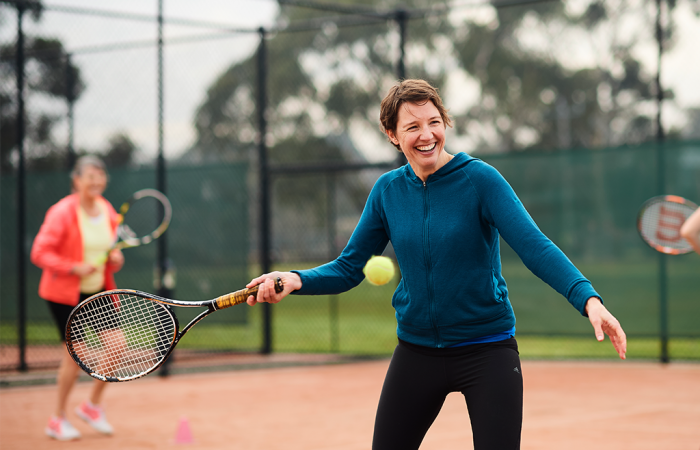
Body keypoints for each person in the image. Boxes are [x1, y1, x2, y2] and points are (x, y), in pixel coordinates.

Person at [245, 79, 627, 450]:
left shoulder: (480, 180)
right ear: (393, 135)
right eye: (412, 126)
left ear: (445, 123)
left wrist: (588, 300)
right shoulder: (387, 191)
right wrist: (294, 278)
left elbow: (535, 247)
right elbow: (349, 267)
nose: (426, 135)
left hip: (487, 350)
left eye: (434, 122)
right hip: (417, 352)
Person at [31, 155, 124, 441]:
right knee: (75, 357)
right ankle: (57, 419)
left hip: (97, 290)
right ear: (77, 180)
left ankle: (91, 406)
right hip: (64, 293)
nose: (96, 182)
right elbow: (39, 252)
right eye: (90, 177)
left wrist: (115, 258)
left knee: (118, 345)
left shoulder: (107, 210)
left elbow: (109, 250)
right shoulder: (61, 212)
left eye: (101, 176)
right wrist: (73, 267)